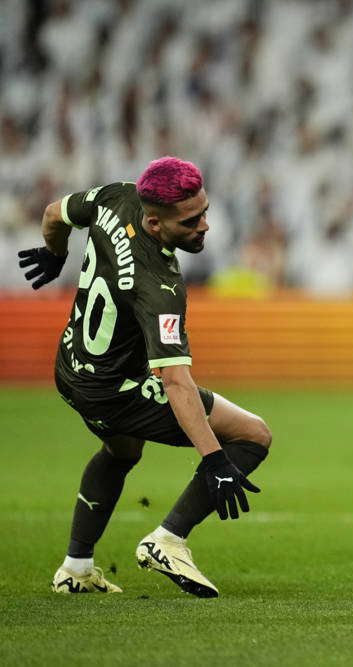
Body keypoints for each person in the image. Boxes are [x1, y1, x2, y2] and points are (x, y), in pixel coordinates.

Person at [18, 157, 272, 598]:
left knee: (121, 450)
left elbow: (53, 214)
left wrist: (55, 253)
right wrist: (214, 461)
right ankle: (168, 540)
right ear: (154, 224)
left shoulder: (114, 197)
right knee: (253, 434)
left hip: (72, 367)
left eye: (205, 211)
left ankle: (75, 568)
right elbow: (175, 382)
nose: (205, 226)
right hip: (115, 389)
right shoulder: (161, 284)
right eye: (191, 220)